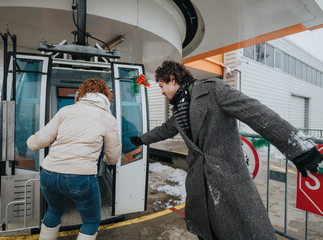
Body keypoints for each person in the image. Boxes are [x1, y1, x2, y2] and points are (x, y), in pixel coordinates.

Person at [130, 60, 323, 240]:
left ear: (172, 79)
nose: (161, 91)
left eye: (162, 85)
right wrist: (141, 139)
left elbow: (256, 112)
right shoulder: (180, 110)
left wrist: (298, 147)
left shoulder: (212, 90)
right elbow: (164, 130)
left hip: (229, 184)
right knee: (208, 233)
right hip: (200, 187)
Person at [27, 79, 121, 240]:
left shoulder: (66, 110)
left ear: (82, 93)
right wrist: (107, 161)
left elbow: (40, 140)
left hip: (49, 173)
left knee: (54, 211)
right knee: (91, 221)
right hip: (81, 176)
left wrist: (29, 142)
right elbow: (112, 156)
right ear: (106, 96)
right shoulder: (107, 118)